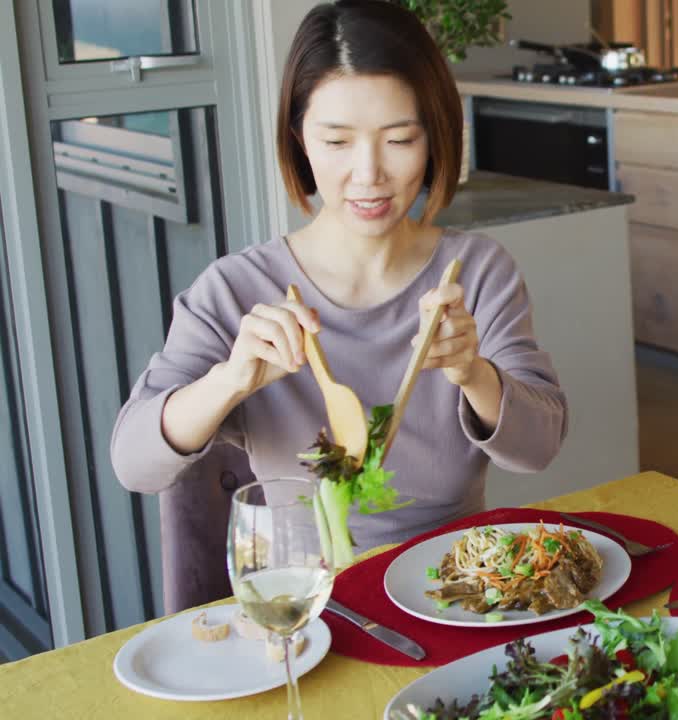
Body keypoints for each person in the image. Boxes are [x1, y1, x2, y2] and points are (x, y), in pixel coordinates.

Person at [112, 0, 567, 551]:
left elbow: (540, 447)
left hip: (453, 586)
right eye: (336, 142)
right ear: (299, 139)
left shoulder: (476, 272)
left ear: (435, 137)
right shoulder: (235, 290)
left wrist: (473, 372)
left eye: (400, 140)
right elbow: (134, 465)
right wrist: (229, 381)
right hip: (308, 600)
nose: (369, 174)